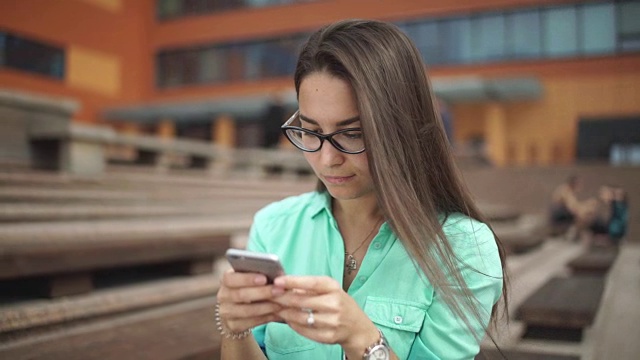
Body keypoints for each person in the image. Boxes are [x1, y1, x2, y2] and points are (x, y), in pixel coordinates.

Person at [216, 19, 507, 360]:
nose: (327, 159)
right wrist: (234, 327)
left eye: (352, 134)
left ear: (401, 128)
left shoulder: (463, 249)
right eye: (310, 131)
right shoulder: (275, 226)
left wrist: (363, 340)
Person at [549, 175, 598, 240]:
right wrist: (587, 207)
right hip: (559, 215)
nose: (581, 187)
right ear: (574, 184)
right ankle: (575, 233)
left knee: (586, 211)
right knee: (583, 213)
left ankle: (577, 232)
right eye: (579, 184)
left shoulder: (568, 191)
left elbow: (575, 206)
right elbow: (573, 207)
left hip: (562, 213)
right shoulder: (565, 191)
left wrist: (588, 205)